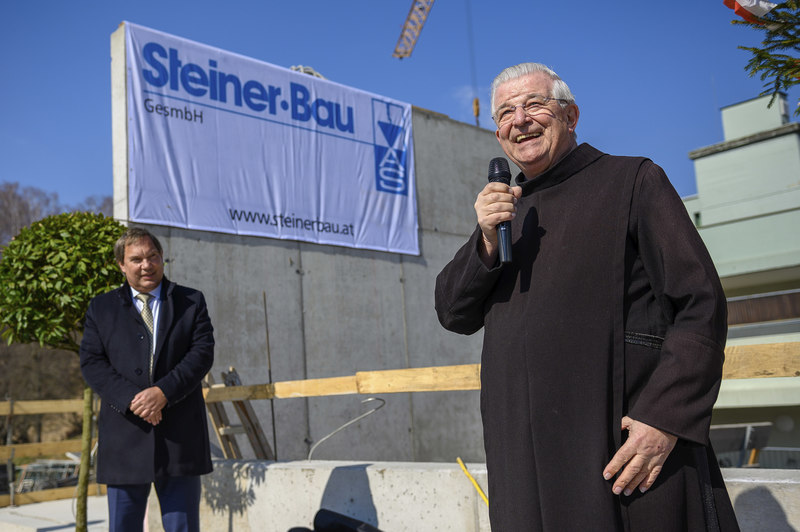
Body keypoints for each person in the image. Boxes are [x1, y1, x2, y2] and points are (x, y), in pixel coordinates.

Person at [434, 63, 739, 531]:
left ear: (570, 115)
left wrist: (664, 419)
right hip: (524, 463)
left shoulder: (633, 181)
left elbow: (700, 303)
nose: (519, 120)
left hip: (619, 452)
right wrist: (487, 240)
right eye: (505, 113)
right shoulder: (505, 215)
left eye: (534, 104)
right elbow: (452, 312)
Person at [80, 227, 214, 532]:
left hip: (180, 438)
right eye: (137, 258)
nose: (146, 265)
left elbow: (202, 353)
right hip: (124, 439)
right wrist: (133, 400)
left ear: (162, 258)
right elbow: (92, 362)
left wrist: (163, 392)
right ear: (121, 265)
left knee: (183, 527)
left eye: (152, 256)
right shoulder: (100, 308)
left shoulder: (191, 301)